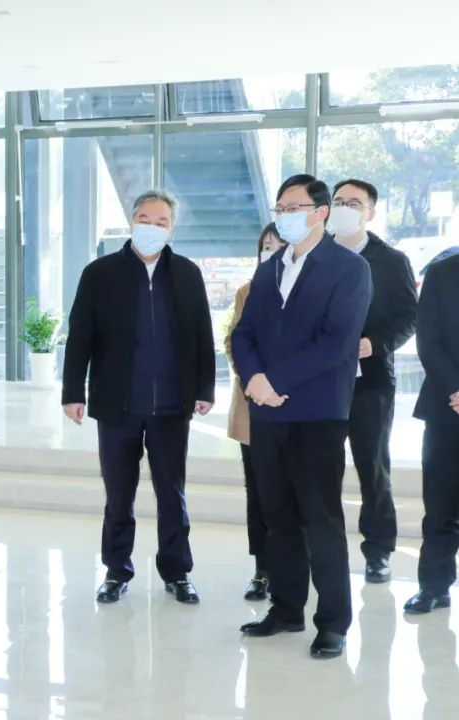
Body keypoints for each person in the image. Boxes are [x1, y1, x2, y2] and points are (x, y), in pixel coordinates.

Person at [231, 174, 371, 660]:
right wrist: (254, 379)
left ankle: (332, 622)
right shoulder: (271, 267)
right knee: (278, 517)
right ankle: (286, 608)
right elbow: (243, 333)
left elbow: (337, 341)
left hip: (317, 413)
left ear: (320, 212)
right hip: (267, 414)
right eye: (280, 208)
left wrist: (275, 381)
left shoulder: (348, 268)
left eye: (294, 208)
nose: (284, 216)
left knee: (321, 519)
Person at [62, 189, 216, 606]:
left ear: (172, 228)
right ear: (132, 222)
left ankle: (177, 571)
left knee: (172, 494)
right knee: (118, 495)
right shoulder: (100, 273)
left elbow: (202, 334)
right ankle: (116, 570)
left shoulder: (186, 274)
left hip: (172, 407)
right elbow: (80, 337)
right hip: (118, 406)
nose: (152, 227)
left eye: (161, 221)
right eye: (145, 219)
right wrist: (73, 391)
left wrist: (205, 388)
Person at [329, 179, 418, 584]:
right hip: (319, 382)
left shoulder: (391, 260)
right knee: (320, 468)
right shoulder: (316, 254)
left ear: (371, 212)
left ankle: (378, 550)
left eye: (354, 203)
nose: (345, 208)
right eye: (339, 201)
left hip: (371, 381)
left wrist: (375, 343)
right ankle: (323, 546)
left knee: (373, 467)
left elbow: (409, 316)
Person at [224, 223, 286, 601]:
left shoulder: (312, 290)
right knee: (258, 491)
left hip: (295, 405)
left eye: (278, 245)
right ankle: (263, 568)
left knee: (292, 490)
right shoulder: (246, 292)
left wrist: (280, 384)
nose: (271, 251)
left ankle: (293, 565)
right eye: (266, 245)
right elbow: (234, 342)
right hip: (253, 406)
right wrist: (254, 381)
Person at [404, 253, 459, 614]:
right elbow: (428, 338)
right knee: (439, 504)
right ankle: (434, 586)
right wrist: (455, 387)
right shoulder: (442, 272)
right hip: (446, 405)